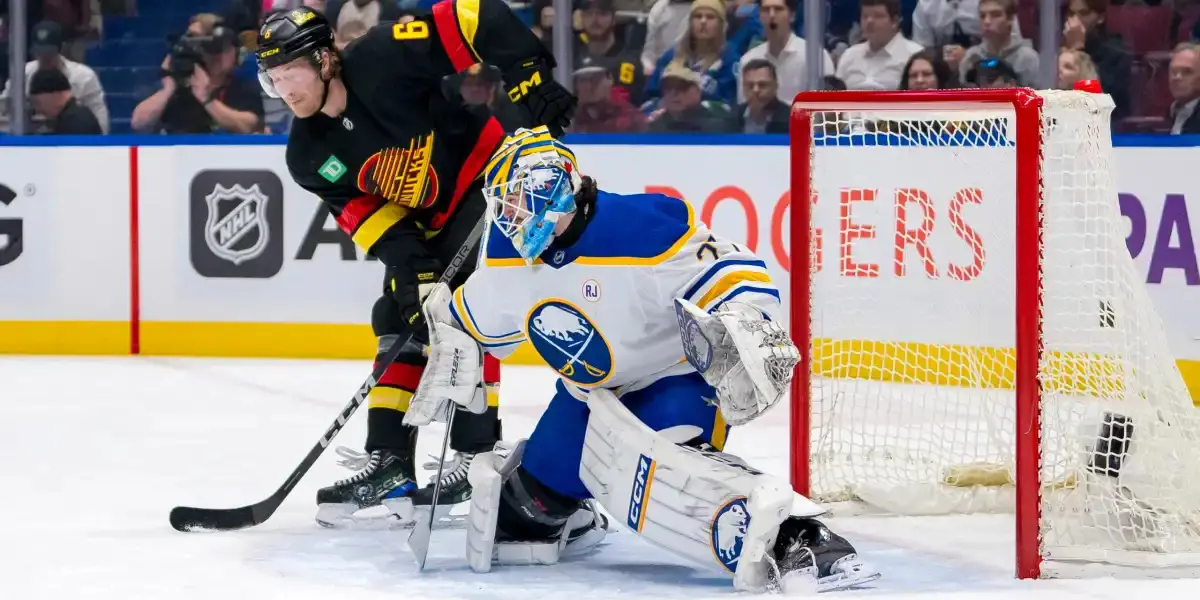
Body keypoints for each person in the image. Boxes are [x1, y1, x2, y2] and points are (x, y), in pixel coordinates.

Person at [403, 127, 880, 593]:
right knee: (528, 510)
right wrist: (449, 339)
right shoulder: (506, 255)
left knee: (676, 476)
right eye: (502, 203)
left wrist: (746, 317)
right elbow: (475, 321)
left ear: (554, 187)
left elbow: (731, 270)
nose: (510, 216)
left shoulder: (642, 227)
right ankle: (576, 517)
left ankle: (801, 539)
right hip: (586, 397)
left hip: (670, 380)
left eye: (518, 199)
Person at [253, 4, 575, 528]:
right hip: (427, 220)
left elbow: (478, 17)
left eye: (292, 72)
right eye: (274, 79)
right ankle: (389, 460)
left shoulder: (382, 56)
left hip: (487, 178)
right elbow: (378, 223)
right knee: (398, 317)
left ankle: (476, 454)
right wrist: (413, 276)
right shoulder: (306, 154)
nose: (285, 89)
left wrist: (528, 77)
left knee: (464, 310)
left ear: (325, 59)